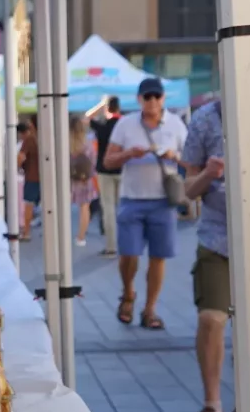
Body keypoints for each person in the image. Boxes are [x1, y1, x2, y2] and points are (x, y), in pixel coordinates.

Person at [102, 77, 187, 330]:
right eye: (147, 97)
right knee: (129, 253)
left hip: (163, 200)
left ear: (163, 99)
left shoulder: (176, 125)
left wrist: (174, 156)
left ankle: (150, 309)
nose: (152, 101)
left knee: (158, 258)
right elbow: (107, 161)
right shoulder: (125, 125)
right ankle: (128, 293)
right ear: (139, 99)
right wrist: (129, 153)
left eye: (156, 97)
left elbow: (191, 161)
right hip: (132, 198)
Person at [182, 100, 235, 412]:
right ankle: (212, 407)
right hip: (217, 239)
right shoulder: (203, 120)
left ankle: (247, 406)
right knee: (211, 320)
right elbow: (188, 188)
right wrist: (209, 174)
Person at [93, 97, 123, 255]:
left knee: (108, 208)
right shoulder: (124, 126)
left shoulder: (103, 126)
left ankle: (111, 246)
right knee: (123, 207)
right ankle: (125, 244)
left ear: (108, 109)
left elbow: (87, 118)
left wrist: (100, 106)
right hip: (122, 170)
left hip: (104, 170)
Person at [69, 115, 99, 247]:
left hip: (68, 180)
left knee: (63, 208)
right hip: (84, 180)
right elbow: (93, 163)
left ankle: (61, 234)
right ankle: (81, 237)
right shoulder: (88, 144)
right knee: (84, 208)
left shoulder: (64, 143)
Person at [17, 119, 40, 242]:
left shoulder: (29, 140)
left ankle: (26, 232)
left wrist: (17, 166)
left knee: (28, 204)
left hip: (32, 176)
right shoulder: (41, 138)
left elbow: (21, 156)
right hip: (44, 176)